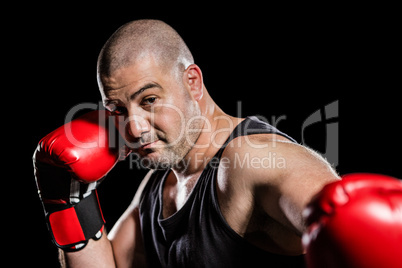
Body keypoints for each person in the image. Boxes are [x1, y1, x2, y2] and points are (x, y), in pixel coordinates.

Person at [33, 19, 340, 267]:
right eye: (118, 110)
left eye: (149, 99)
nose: (135, 128)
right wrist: (69, 201)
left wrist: (353, 225)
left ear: (192, 82)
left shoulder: (252, 160)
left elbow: (341, 223)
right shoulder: (156, 187)